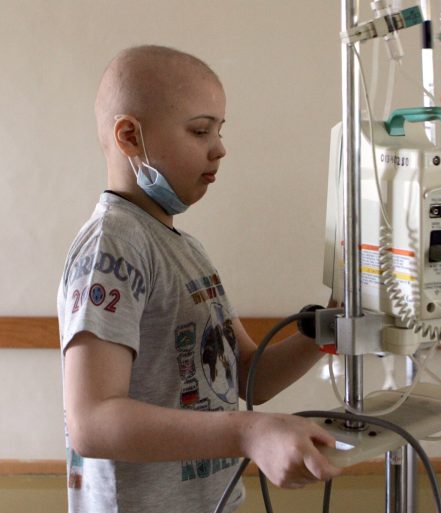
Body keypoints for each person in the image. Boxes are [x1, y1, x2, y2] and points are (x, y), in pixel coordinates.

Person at [57, 45, 340, 513]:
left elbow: (246, 376)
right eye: (199, 130)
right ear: (130, 135)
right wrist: (249, 432)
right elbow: (92, 421)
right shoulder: (114, 246)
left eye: (219, 131)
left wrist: (333, 324)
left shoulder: (184, 247)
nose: (219, 148)